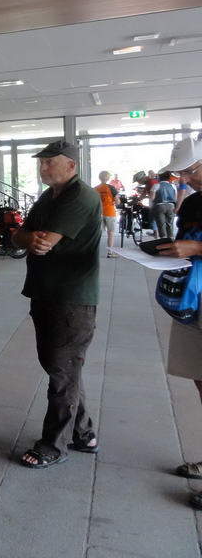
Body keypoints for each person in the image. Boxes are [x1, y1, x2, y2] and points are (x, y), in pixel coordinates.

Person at [13, 140, 102, 468]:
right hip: (47, 293)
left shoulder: (81, 196)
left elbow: (45, 242)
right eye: (42, 162)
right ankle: (84, 433)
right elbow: (19, 236)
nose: (43, 167)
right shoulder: (48, 196)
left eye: (50, 162)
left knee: (62, 371)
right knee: (63, 367)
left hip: (71, 298)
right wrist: (29, 237)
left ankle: (54, 445)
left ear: (72, 165)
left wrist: (33, 238)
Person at [156, 138, 202, 510]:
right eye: (181, 173)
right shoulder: (194, 201)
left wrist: (196, 249)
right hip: (192, 301)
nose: (185, 179)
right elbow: (183, 243)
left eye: (191, 170)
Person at [94, 170, 120, 257]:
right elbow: (117, 201)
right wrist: (117, 202)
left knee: (97, 234)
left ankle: (93, 252)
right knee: (111, 233)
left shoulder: (95, 188)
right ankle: (110, 253)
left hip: (99, 213)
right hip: (110, 213)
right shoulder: (111, 188)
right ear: (108, 178)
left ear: (99, 178)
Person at [151, 171, 177, 240]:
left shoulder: (156, 185)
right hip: (171, 206)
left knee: (161, 224)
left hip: (159, 206)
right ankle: (171, 239)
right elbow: (175, 198)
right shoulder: (173, 186)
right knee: (170, 224)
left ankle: (163, 240)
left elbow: (152, 198)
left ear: (159, 177)